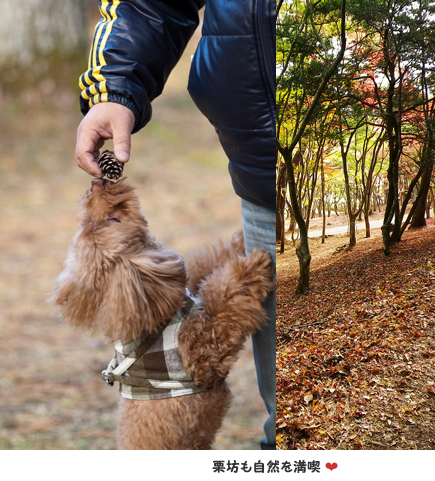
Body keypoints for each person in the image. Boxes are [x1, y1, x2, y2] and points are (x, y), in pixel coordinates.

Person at [73, 0, 276, 450]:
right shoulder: (158, 319)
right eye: (110, 216)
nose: (101, 192)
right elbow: (211, 340)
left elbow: (188, 279)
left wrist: (232, 262)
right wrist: (115, 88)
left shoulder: (145, 295)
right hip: (263, 178)